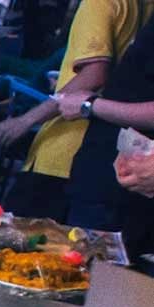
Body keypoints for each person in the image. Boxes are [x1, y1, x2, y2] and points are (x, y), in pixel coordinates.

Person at [0, 0, 152, 216]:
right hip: (114, 149)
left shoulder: (99, 3)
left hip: (66, 145)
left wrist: (26, 120)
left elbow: (94, 75)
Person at [60, 18, 154, 252]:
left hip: (122, 196)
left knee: (96, 281)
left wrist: (90, 105)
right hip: (117, 180)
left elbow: (95, 74)